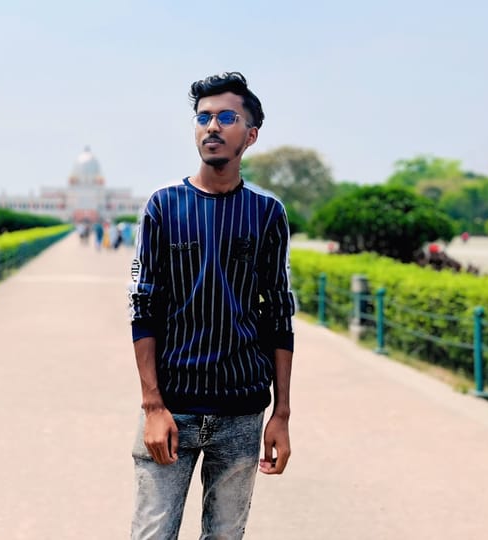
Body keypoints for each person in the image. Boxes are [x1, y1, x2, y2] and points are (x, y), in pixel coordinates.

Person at [127, 72, 296, 539]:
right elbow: (144, 307)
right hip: (173, 408)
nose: (212, 127)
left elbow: (279, 314)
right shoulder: (164, 206)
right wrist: (152, 406)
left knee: (225, 535)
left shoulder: (267, 213)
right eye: (203, 118)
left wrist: (280, 414)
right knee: (152, 534)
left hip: (241, 411)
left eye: (226, 117)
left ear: (251, 133)